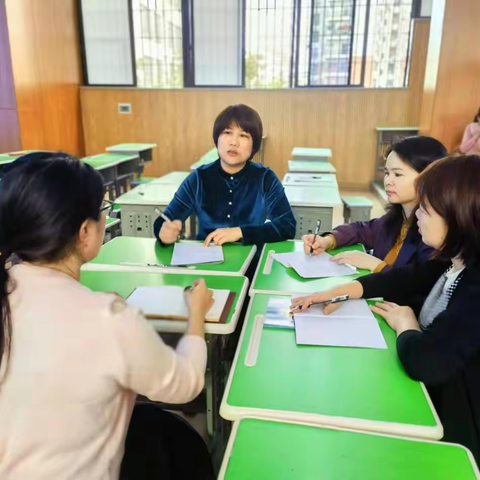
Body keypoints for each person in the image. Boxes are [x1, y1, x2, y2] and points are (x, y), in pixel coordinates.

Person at [0, 152, 215, 480]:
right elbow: (184, 385)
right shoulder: (108, 318)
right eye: (103, 209)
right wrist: (196, 314)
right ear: (85, 232)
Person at [292, 155, 480, 464]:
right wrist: (336, 292)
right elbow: (402, 279)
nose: (417, 215)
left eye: (427, 209)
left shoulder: (475, 285)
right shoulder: (452, 261)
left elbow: (427, 361)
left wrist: (406, 323)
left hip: (455, 434)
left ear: (459, 218)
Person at [154, 104, 296, 247]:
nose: (234, 142)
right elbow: (167, 219)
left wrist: (240, 232)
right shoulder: (199, 178)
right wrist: (163, 232)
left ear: (254, 146)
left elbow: (287, 225)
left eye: (243, 135)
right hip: (205, 263)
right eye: (227, 132)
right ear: (217, 138)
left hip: (252, 263)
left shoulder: (265, 178)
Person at [303, 136, 447, 272]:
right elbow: (362, 230)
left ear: (429, 177)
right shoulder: (400, 217)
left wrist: (376, 265)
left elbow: (421, 288)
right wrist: (328, 240)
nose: (388, 181)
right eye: (386, 173)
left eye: (397, 174)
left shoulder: (434, 232)